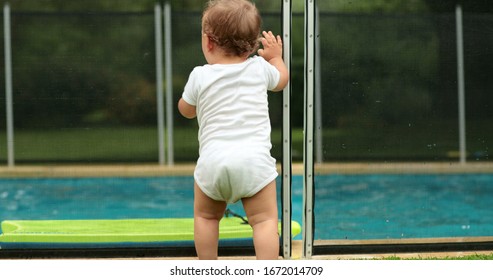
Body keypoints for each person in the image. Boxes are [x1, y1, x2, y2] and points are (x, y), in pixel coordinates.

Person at [178, 0, 289, 260]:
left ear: (208, 42)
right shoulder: (260, 68)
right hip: (254, 164)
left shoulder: (199, 75)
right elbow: (281, 80)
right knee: (263, 221)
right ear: (252, 45)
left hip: (213, 163)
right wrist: (276, 58)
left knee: (206, 217)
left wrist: (189, 106)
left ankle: (209, 269)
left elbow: (186, 109)